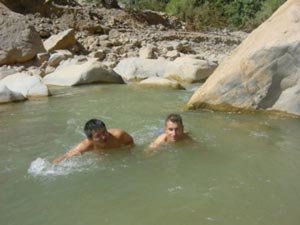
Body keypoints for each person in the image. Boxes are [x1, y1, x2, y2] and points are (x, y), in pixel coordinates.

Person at [53, 119, 134, 163]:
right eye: (98, 136)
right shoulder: (86, 145)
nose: (103, 136)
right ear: (90, 139)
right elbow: (65, 156)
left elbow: (131, 144)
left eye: (104, 132)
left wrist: (126, 154)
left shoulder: (119, 135)